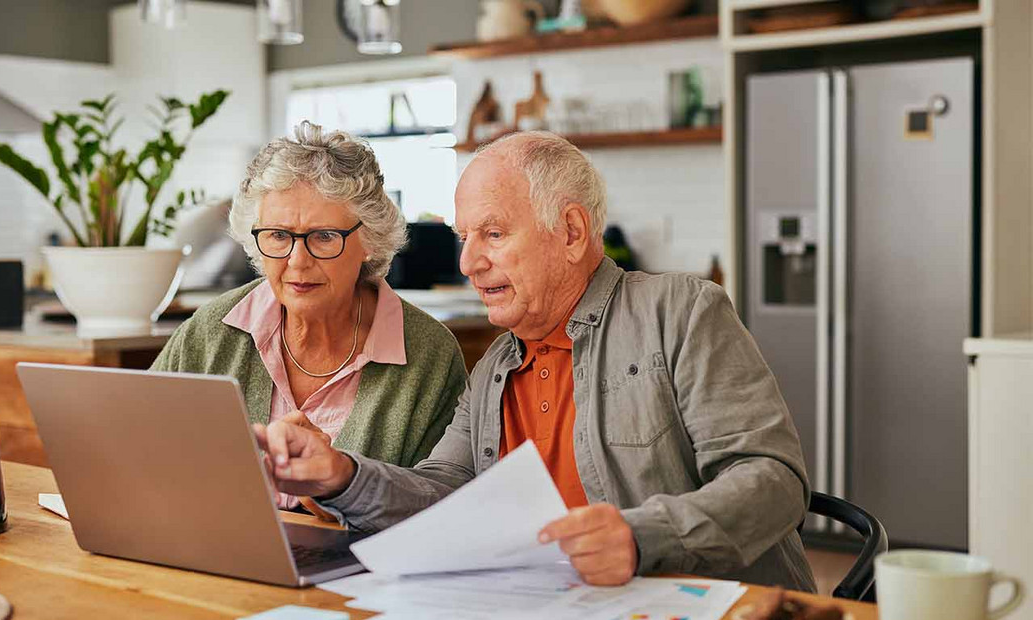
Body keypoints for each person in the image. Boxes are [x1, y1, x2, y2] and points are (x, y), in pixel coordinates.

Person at [253, 131, 817, 591]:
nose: (470, 262)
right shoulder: (497, 364)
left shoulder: (680, 312)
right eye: (464, 237)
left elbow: (772, 481)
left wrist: (643, 536)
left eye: (493, 234)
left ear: (571, 232)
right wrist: (341, 476)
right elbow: (444, 494)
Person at [151, 121, 467, 510]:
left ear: (369, 239)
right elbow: (142, 448)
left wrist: (337, 488)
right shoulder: (210, 331)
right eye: (278, 236)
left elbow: (436, 504)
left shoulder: (428, 355)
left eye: (324, 237)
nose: (298, 263)